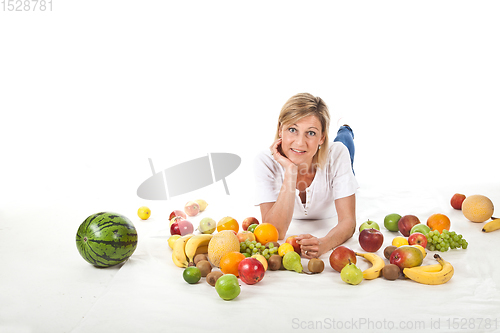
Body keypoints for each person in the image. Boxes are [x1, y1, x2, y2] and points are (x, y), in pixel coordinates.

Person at [254, 93, 358, 259]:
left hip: (334, 153)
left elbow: (348, 222)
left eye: (311, 133)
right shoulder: (265, 161)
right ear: (280, 130)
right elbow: (275, 232)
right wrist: (290, 171)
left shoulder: (337, 155)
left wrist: (325, 243)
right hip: (309, 157)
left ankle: (345, 128)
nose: (300, 143)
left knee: (344, 141)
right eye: (292, 130)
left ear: (322, 137)